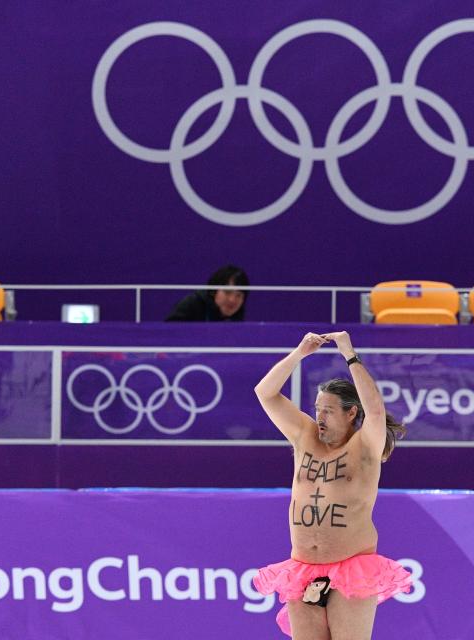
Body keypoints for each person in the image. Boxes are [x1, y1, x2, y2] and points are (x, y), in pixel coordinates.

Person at [253, 331, 411, 639]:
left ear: (351, 413)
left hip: (351, 568)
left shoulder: (365, 446)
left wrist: (349, 355)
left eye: (328, 410)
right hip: (303, 568)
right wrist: (299, 353)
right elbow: (266, 393)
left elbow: (376, 410)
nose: (319, 416)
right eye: (317, 409)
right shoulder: (305, 436)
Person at [165, 264, 249, 321]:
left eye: (239, 295)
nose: (232, 300)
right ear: (213, 291)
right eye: (227, 292)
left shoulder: (237, 315)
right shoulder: (192, 304)